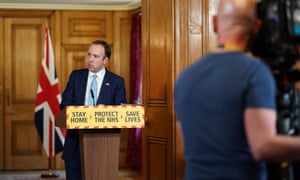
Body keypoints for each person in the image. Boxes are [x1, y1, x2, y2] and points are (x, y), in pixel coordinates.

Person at [174, 0, 300, 179]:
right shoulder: (255, 73)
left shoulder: (184, 77)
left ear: (215, 23)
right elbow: (262, 147)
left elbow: (189, 143)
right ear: (256, 27)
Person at [60, 40, 127, 180]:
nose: (90, 59)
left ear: (106, 60)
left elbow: (122, 112)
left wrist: (106, 111)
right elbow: (64, 105)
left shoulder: (116, 82)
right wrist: (85, 113)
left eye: (95, 56)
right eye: (89, 55)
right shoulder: (76, 76)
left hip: (104, 146)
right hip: (75, 143)